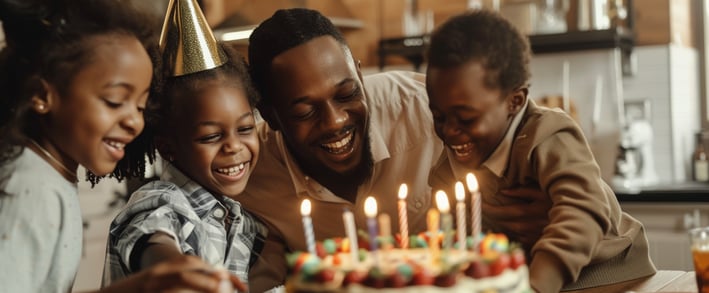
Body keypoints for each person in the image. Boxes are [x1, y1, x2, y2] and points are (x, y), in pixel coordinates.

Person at [239, 8, 549, 291]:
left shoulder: (432, 110)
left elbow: (569, 163)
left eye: (347, 94)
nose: (335, 122)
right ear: (270, 115)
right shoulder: (248, 169)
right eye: (305, 112)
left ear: (360, 75)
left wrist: (551, 208)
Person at [0, 0, 244, 292]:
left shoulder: (49, 178)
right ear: (42, 95)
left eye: (141, 107)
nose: (134, 123)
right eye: (114, 101)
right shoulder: (31, 189)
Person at [425, 10, 656, 292]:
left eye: (467, 118)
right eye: (439, 116)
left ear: (514, 101)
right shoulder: (452, 159)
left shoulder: (547, 134)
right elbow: (451, 232)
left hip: (607, 273)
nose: (449, 130)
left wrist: (536, 285)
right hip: (524, 279)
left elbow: (582, 211)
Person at [102, 1, 277, 292]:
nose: (234, 146)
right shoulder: (162, 202)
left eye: (245, 128)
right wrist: (168, 265)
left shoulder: (242, 221)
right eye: (210, 137)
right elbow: (153, 238)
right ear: (167, 147)